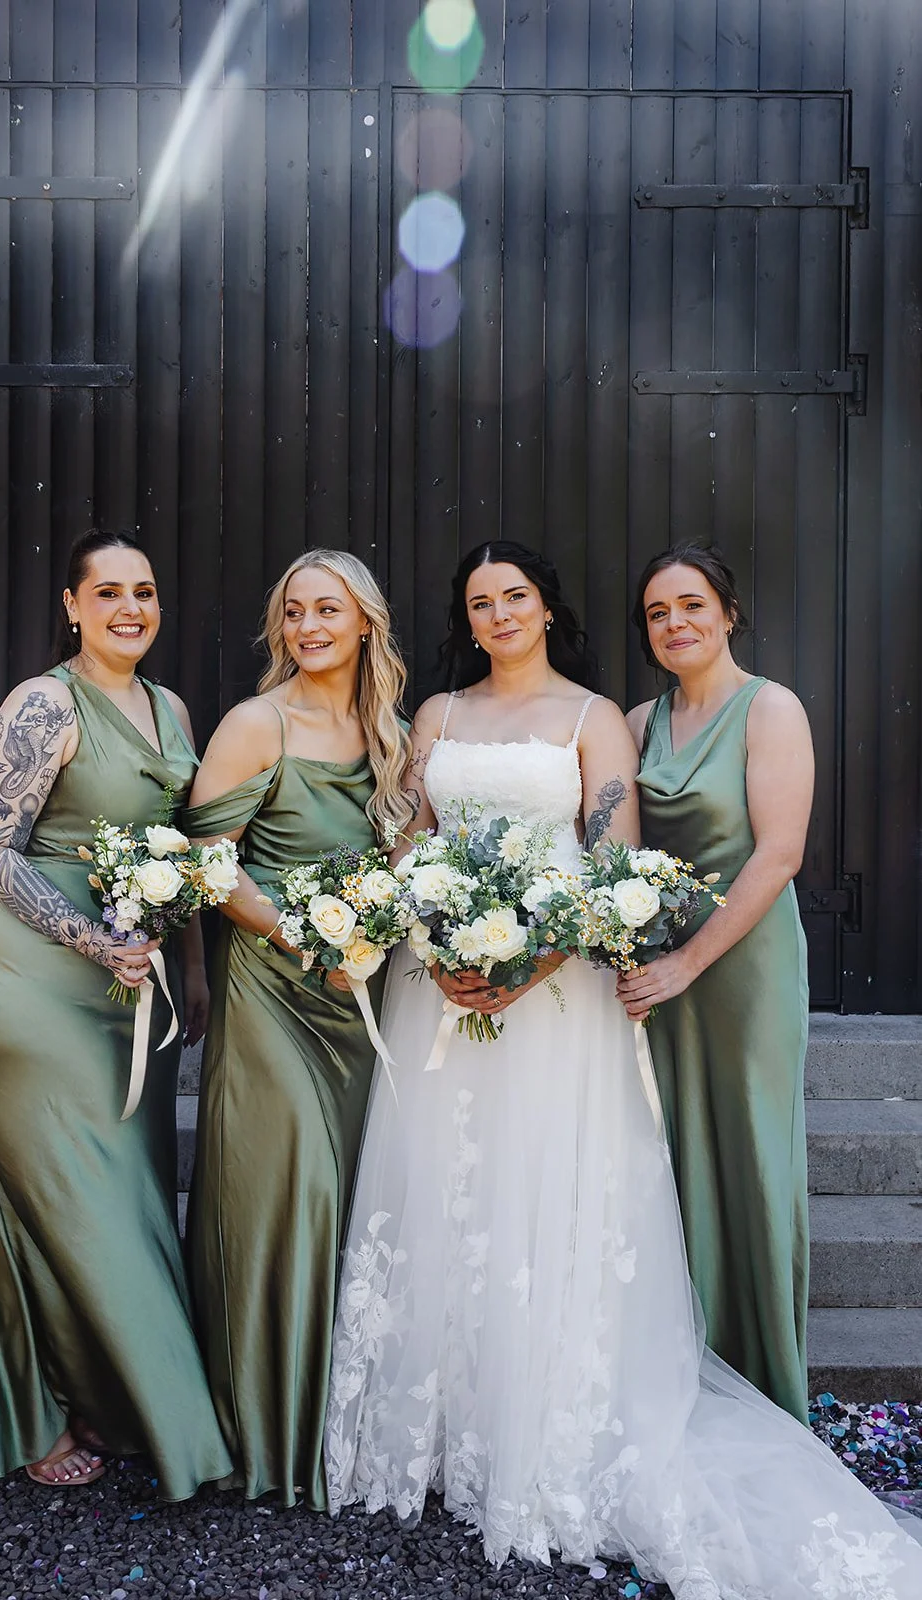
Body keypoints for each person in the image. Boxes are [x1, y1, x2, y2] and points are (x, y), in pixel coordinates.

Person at [324, 540, 922, 1589]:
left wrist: (527, 958)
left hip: (556, 990)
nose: (499, 612)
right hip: (444, 989)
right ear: (465, 621)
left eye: (515, 595)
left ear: (546, 609)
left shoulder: (598, 718)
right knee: (448, 1192)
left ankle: (549, 1424)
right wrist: (430, 936)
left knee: (547, 1190)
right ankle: (452, 1420)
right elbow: (411, 839)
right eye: (479, 601)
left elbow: (606, 862)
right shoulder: (437, 719)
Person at [0, 530, 232, 1497]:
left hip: (133, 979)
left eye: (144, 591)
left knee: (131, 1192)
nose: (129, 608)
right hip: (29, 975)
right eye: (106, 592)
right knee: (69, 1195)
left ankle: (114, 1402)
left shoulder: (169, 706)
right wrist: (87, 938)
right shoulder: (42, 703)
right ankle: (63, 1412)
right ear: (71, 605)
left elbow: (178, 847)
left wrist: (188, 968)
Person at [181, 548, 411, 1509]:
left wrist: (375, 931)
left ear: (365, 623)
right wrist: (299, 935)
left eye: (328, 610)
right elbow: (200, 856)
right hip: (272, 987)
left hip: (358, 997)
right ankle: (262, 1427)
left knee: (355, 1193)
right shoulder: (255, 722)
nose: (308, 627)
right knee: (292, 1188)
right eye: (293, 612)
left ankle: (339, 1421)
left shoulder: (389, 734)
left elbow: (403, 860)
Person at [617, 542, 813, 1423]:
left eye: (691, 606)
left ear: (727, 613)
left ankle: (765, 1377)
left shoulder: (769, 709)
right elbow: (606, 846)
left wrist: (686, 964)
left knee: (748, 1147)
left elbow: (779, 853)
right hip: (656, 968)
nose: (675, 624)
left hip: (740, 966)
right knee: (672, 1151)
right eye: (658, 613)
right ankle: (687, 1374)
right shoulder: (634, 723)